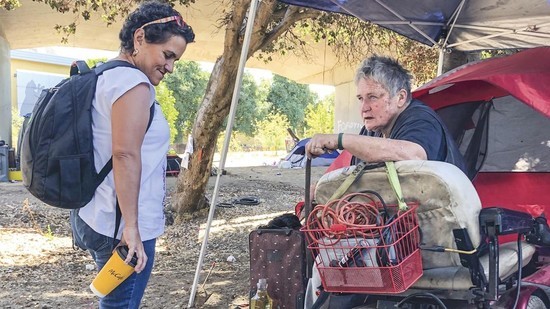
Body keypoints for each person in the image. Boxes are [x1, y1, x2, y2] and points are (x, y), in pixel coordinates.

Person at [69, 1, 195, 308]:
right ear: (140, 38)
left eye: (175, 60)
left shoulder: (106, 75)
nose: (170, 67)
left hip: (96, 213)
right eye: (167, 55)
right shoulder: (133, 84)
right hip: (120, 227)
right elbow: (125, 155)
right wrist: (132, 229)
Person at [306, 55, 466, 174]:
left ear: (401, 97)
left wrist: (340, 139)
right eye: (361, 99)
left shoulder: (421, 120)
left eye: (373, 97)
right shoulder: (372, 129)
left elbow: (413, 155)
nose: (364, 108)